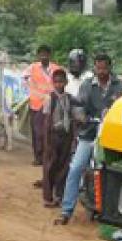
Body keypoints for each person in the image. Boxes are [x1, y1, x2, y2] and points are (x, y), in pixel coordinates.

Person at [56, 52, 122, 225]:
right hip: (89, 134)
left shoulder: (120, 87)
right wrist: (82, 117)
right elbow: (78, 106)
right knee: (75, 168)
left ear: (110, 67)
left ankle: (112, 214)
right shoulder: (87, 86)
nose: (101, 71)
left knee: (112, 173)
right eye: (98, 67)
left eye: (104, 68)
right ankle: (66, 211)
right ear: (94, 68)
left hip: (110, 139)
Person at [22, 45, 60, 166]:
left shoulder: (56, 69)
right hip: (36, 104)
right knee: (37, 132)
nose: (43, 56)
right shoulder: (32, 68)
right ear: (38, 56)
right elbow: (24, 79)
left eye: (46, 54)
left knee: (49, 132)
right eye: (41, 54)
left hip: (52, 104)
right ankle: (38, 157)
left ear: (50, 55)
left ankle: (47, 156)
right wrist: (31, 87)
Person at [42, 68, 74, 207]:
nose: (59, 85)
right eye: (56, 82)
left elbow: (73, 117)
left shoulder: (70, 98)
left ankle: (59, 195)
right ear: (52, 83)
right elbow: (47, 120)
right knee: (50, 166)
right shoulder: (50, 98)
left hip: (66, 136)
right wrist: (47, 142)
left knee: (63, 166)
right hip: (53, 136)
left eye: (61, 82)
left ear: (66, 82)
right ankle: (48, 197)